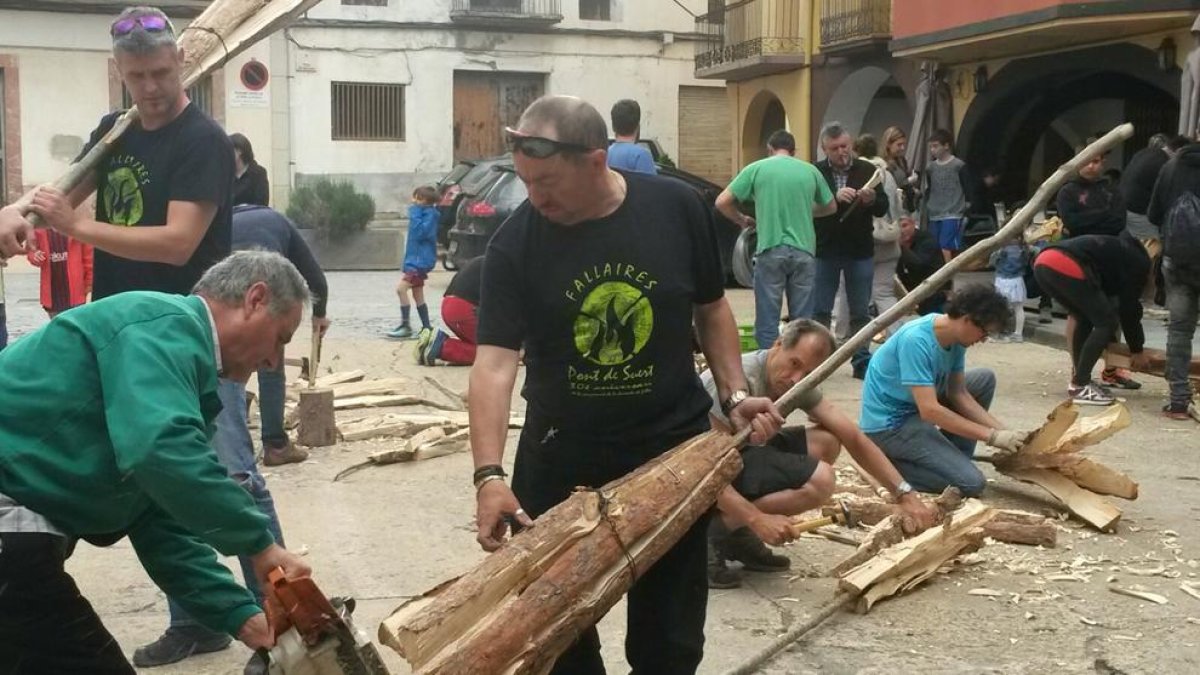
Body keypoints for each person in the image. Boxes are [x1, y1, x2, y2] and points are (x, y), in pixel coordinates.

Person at [470, 95, 784, 675]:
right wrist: (488, 475)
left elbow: (711, 310)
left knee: (670, 636)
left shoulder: (676, 207)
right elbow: (492, 365)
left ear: (597, 161)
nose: (535, 199)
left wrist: (735, 394)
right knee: (556, 633)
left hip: (671, 450)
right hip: (560, 455)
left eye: (546, 182)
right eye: (525, 182)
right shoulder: (515, 244)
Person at [8, 8, 269, 667]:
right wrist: (19, 214)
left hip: (187, 340)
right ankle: (212, 615)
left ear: (180, 63)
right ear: (119, 73)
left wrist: (77, 227)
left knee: (216, 474)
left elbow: (179, 239)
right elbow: (60, 192)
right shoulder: (114, 130)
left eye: (159, 73)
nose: (150, 88)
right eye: (136, 76)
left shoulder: (201, 139)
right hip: (117, 337)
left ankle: (265, 593)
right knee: (151, 477)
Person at [0, 251, 313, 674]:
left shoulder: (180, 365)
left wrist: (244, 618)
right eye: (282, 337)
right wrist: (261, 546)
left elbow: (159, 524)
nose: (275, 361)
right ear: (255, 299)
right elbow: (158, 448)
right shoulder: (160, 326)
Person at [701, 319, 938, 588]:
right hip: (698, 475)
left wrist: (905, 493)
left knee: (827, 440)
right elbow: (706, 469)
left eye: (808, 372)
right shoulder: (738, 379)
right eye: (794, 363)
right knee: (821, 480)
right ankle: (711, 534)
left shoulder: (796, 383)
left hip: (742, 455)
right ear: (777, 345)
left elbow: (853, 436)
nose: (796, 379)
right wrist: (757, 519)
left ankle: (735, 533)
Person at [860, 285, 1031, 497]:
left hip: (916, 408)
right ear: (967, 319)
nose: (984, 339)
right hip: (892, 424)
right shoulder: (917, 340)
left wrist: (1005, 433)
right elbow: (930, 411)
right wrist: (992, 437)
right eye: (984, 332)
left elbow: (958, 393)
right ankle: (884, 465)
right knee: (971, 484)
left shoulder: (955, 339)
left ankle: (956, 456)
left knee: (984, 379)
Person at [717, 130, 836, 348]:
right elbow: (831, 206)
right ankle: (804, 371)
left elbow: (722, 202)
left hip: (770, 249)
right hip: (804, 251)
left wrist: (741, 219)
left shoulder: (757, 168)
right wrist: (805, 211)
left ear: (770, 149)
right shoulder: (810, 170)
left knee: (767, 319)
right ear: (794, 151)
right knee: (802, 322)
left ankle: (768, 368)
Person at [232, 204, 330, 463]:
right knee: (271, 363)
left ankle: (228, 446)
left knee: (223, 365)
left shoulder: (219, 220)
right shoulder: (279, 221)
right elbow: (315, 278)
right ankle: (275, 444)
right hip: (266, 288)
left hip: (223, 291)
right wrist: (319, 315)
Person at [1056, 142, 1142, 392]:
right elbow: (1072, 221)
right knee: (1078, 313)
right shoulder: (1067, 191)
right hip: (1077, 258)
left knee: (1112, 310)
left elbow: (1118, 221)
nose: (1092, 165)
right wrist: (1100, 219)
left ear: (1103, 163)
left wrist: (1091, 221)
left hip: (1109, 257)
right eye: (1087, 160)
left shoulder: (1111, 191)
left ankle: (1113, 368)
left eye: (1097, 161)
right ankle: (1078, 369)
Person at [1032, 232, 1151, 406]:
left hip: (1043, 261)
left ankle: (1080, 379)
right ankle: (1080, 384)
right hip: (1065, 263)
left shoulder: (1121, 251)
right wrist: (1137, 350)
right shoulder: (1139, 264)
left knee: (1084, 318)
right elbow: (1129, 310)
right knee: (1107, 322)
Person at [812, 122, 889, 378]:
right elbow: (808, 208)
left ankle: (861, 360)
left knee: (860, 310)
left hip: (859, 249)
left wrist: (871, 199)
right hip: (826, 249)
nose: (842, 152)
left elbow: (882, 207)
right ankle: (817, 361)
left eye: (845, 146)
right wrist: (833, 199)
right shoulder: (816, 173)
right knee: (820, 310)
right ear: (825, 149)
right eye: (835, 148)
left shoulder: (867, 169)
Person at [1146, 138, 1200, 419]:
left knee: (1179, 331)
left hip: (1177, 261)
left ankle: (1178, 400)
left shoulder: (1171, 166)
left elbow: (1153, 213)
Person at [1122, 133, 1189, 305]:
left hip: (1124, 208)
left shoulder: (1145, 153)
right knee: (1155, 250)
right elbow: (1165, 196)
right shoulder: (1166, 164)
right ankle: (1148, 295)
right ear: (1179, 151)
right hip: (1138, 212)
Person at [387, 185, 439, 340]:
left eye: (416, 197)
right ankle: (426, 326)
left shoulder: (430, 215)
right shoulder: (424, 213)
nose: (413, 200)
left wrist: (415, 213)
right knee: (418, 295)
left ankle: (405, 325)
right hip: (415, 261)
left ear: (423, 200)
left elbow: (420, 233)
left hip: (419, 263)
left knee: (401, 290)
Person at [417, 253, 482, 366]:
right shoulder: (505, 268)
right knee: (494, 353)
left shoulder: (482, 259)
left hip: (448, 304)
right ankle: (443, 347)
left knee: (476, 343)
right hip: (463, 309)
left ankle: (434, 341)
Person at [924, 129, 972, 263]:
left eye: (935, 146)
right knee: (934, 245)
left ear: (946, 146)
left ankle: (946, 273)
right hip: (934, 212)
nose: (932, 150)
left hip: (953, 211)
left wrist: (967, 206)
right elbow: (930, 188)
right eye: (931, 147)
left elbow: (967, 187)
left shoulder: (958, 165)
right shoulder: (931, 168)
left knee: (946, 245)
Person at [28, 229, 93, 318]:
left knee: (75, 325)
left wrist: (89, 283)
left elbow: (89, 259)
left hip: (76, 293)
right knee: (57, 325)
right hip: (52, 293)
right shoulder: (39, 229)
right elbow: (31, 250)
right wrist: (36, 256)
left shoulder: (76, 229)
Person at [896, 216, 947, 315]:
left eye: (904, 226)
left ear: (913, 224)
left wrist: (902, 247)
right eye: (898, 228)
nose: (902, 231)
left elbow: (919, 264)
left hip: (933, 288)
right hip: (912, 288)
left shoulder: (927, 240)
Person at [989, 240, 1030, 342]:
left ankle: (999, 333)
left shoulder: (1001, 248)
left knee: (1000, 307)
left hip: (1002, 278)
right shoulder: (1024, 247)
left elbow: (992, 262)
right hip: (1017, 278)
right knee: (1018, 307)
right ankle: (1018, 334)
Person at [607, 99, 656, 175]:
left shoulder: (605, 155)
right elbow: (651, 185)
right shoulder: (641, 156)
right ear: (637, 126)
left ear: (613, 127)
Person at [882, 126, 918, 215]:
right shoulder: (883, 164)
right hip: (892, 210)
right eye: (899, 144)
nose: (902, 148)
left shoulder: (902, 160)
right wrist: (909, 181)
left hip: (907, 208)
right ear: (889, 144)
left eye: (904, 144)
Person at [231, 132, 270, 207]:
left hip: (251, 216)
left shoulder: (258, 173)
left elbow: (261, 202)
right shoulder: (226, 175)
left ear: (239, 151)